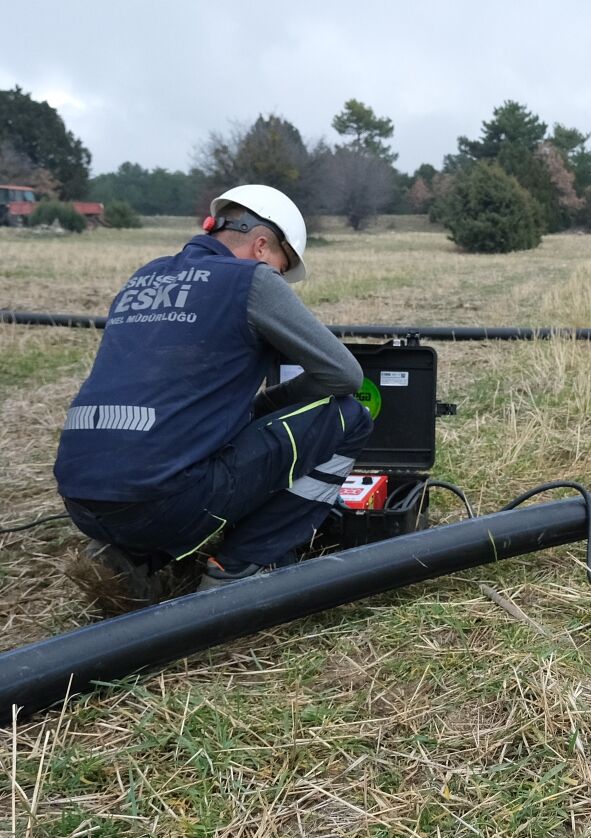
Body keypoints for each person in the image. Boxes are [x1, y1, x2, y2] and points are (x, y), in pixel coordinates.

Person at [54, 184, 373, 591]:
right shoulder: (252, 280)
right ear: (261, 246)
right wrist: (272, 403)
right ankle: (240, 565)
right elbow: (345, 375)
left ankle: (131, 555)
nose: (280, 277)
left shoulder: (143, 277)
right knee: (350, 416)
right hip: (164, 502)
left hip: (80, 499)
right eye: (282, 264)